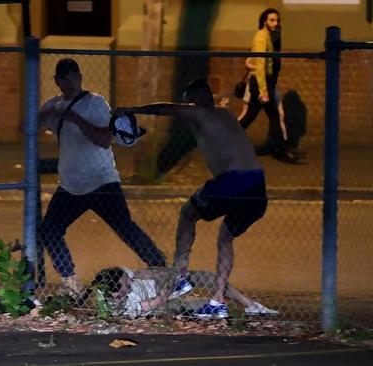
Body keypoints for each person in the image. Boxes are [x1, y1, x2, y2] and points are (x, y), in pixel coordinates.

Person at [115, 79, 268, 319]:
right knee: (225, 237)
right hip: (257, 185)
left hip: (233, 181)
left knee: (188, 213)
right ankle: (217, 301)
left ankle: (181, 276)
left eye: (189, 101)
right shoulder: (225, 114)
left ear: (195, 99)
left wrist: (132, 110)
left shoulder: (201, 113)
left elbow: (166, 108)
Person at [37, 58, 167, 296]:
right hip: (71, 185)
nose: (71, 81)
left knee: (125, 228)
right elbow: (31, 126)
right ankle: (70, 281)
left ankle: (162, 271)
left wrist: (74, 118)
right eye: (65, 77)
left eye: (74, 75)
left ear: (80, 77)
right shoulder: (54, 105)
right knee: (50, 229)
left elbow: (103, 139)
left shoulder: (95, 103)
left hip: (102, 181)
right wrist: (43, 116)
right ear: (57, 81)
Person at [85, 266, 278, 319]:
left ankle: (252, 306)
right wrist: (169, 282)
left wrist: (171, 273)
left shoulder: (113, 277)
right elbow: (159, 300)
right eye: (126, 286)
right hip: (165, 300)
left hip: (162, 282)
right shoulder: (124, 308)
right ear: (115, 295)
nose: (130, 284)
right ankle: (222, 308)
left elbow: (143, 272)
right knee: (203, 306)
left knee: (211, 279)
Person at [238, 8, 298, 164]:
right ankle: (281, 152)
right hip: (261, 83)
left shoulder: (271, 36)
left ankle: (224, 142)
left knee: (253, 117)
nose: (275, 23)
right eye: (272, 20)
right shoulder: (261, 37)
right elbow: (260, 64)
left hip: (266, 82)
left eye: (277, 20)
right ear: (264, 20)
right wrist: (263, 91)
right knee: (271, 117)